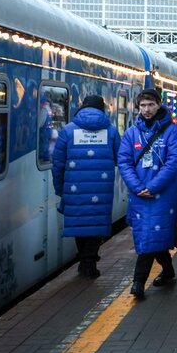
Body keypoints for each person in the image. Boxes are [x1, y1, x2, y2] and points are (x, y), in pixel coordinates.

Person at [117, 88, 177, 299]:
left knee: (152, 234)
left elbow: (174, 161)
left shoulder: (171, 131)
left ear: (159, 105)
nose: (146, 110)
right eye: (143, 105)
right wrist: (137, 187)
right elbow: (124, 161)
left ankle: (138, 282)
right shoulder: (131, 133)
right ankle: (168, 270)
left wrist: (153, 187)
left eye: (151, 105)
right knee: (149, 235)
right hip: (139, 194)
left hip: (161, 194)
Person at [51, 95, 121, 279]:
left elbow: (57, 164)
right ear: (102, 109)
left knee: (79, 224)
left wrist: (60, 188)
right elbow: (119, 158)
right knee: (96, 224)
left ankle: (85, 262)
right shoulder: (112, 131)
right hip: (101, 189)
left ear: (82, 108)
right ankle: (89, 263)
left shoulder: (67, 131)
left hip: (74, 189)